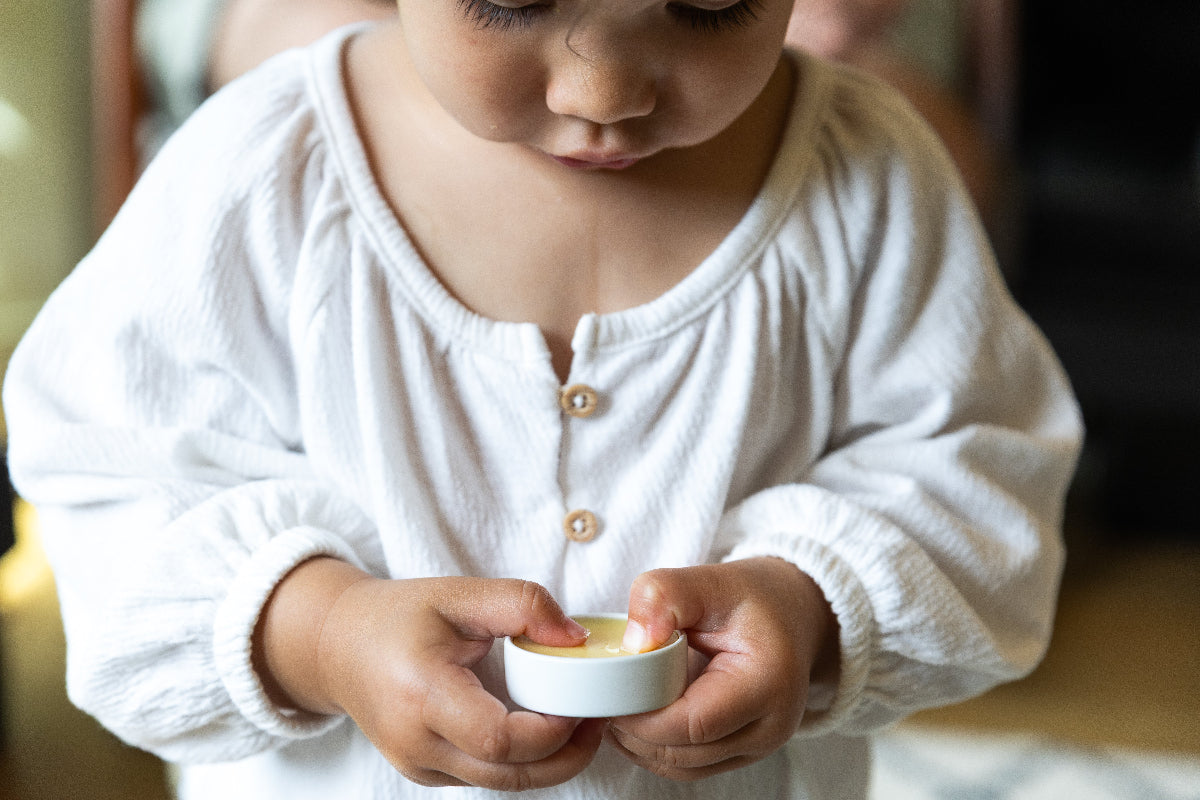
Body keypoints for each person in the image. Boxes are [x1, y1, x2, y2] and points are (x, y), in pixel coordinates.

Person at [3, 0, 1082, 798]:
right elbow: (115, 479)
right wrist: (324, 630)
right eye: (511, 1)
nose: (603, 94)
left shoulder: (866, 176)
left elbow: (981, 474)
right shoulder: (259, 176)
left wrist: (807, 601)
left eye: (709, 4)